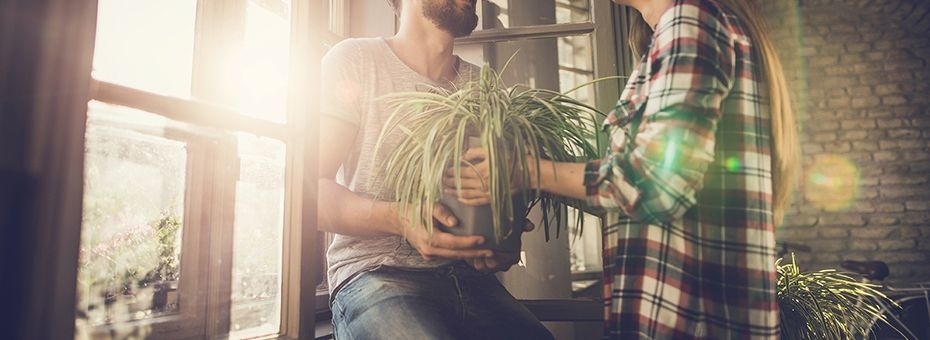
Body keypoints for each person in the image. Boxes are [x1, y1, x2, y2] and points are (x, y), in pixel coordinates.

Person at [445, 0, 799, 338]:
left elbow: (654, 184)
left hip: (690, 319)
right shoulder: (677, 29)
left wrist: (525, 172)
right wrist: (515, 194)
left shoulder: (689, 22)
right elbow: (641, 194)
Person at [317, 0, 553, 339]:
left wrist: (500, 237)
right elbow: (310, 191)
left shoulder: (486, 87)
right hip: (376, 274)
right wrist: (401, 219)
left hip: (472, 281)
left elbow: (499, 192)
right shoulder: (354, 60)